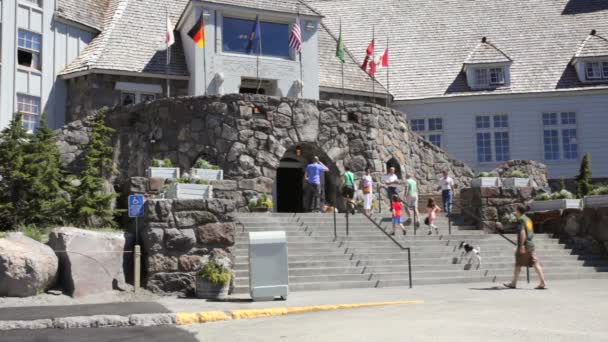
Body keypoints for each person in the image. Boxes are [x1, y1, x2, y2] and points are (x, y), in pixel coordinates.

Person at [504, 204, 547, 290]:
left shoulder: (520, 220)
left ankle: (513, 283)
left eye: (515, 210)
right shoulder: (528, 219)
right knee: (534, 262)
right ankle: (542, 282)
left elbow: (522, 233)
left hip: (525, 244)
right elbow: (531, 232)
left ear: (519, 211)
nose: (514, 212)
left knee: (518, 263)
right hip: (530, 243)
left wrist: (521, 246)